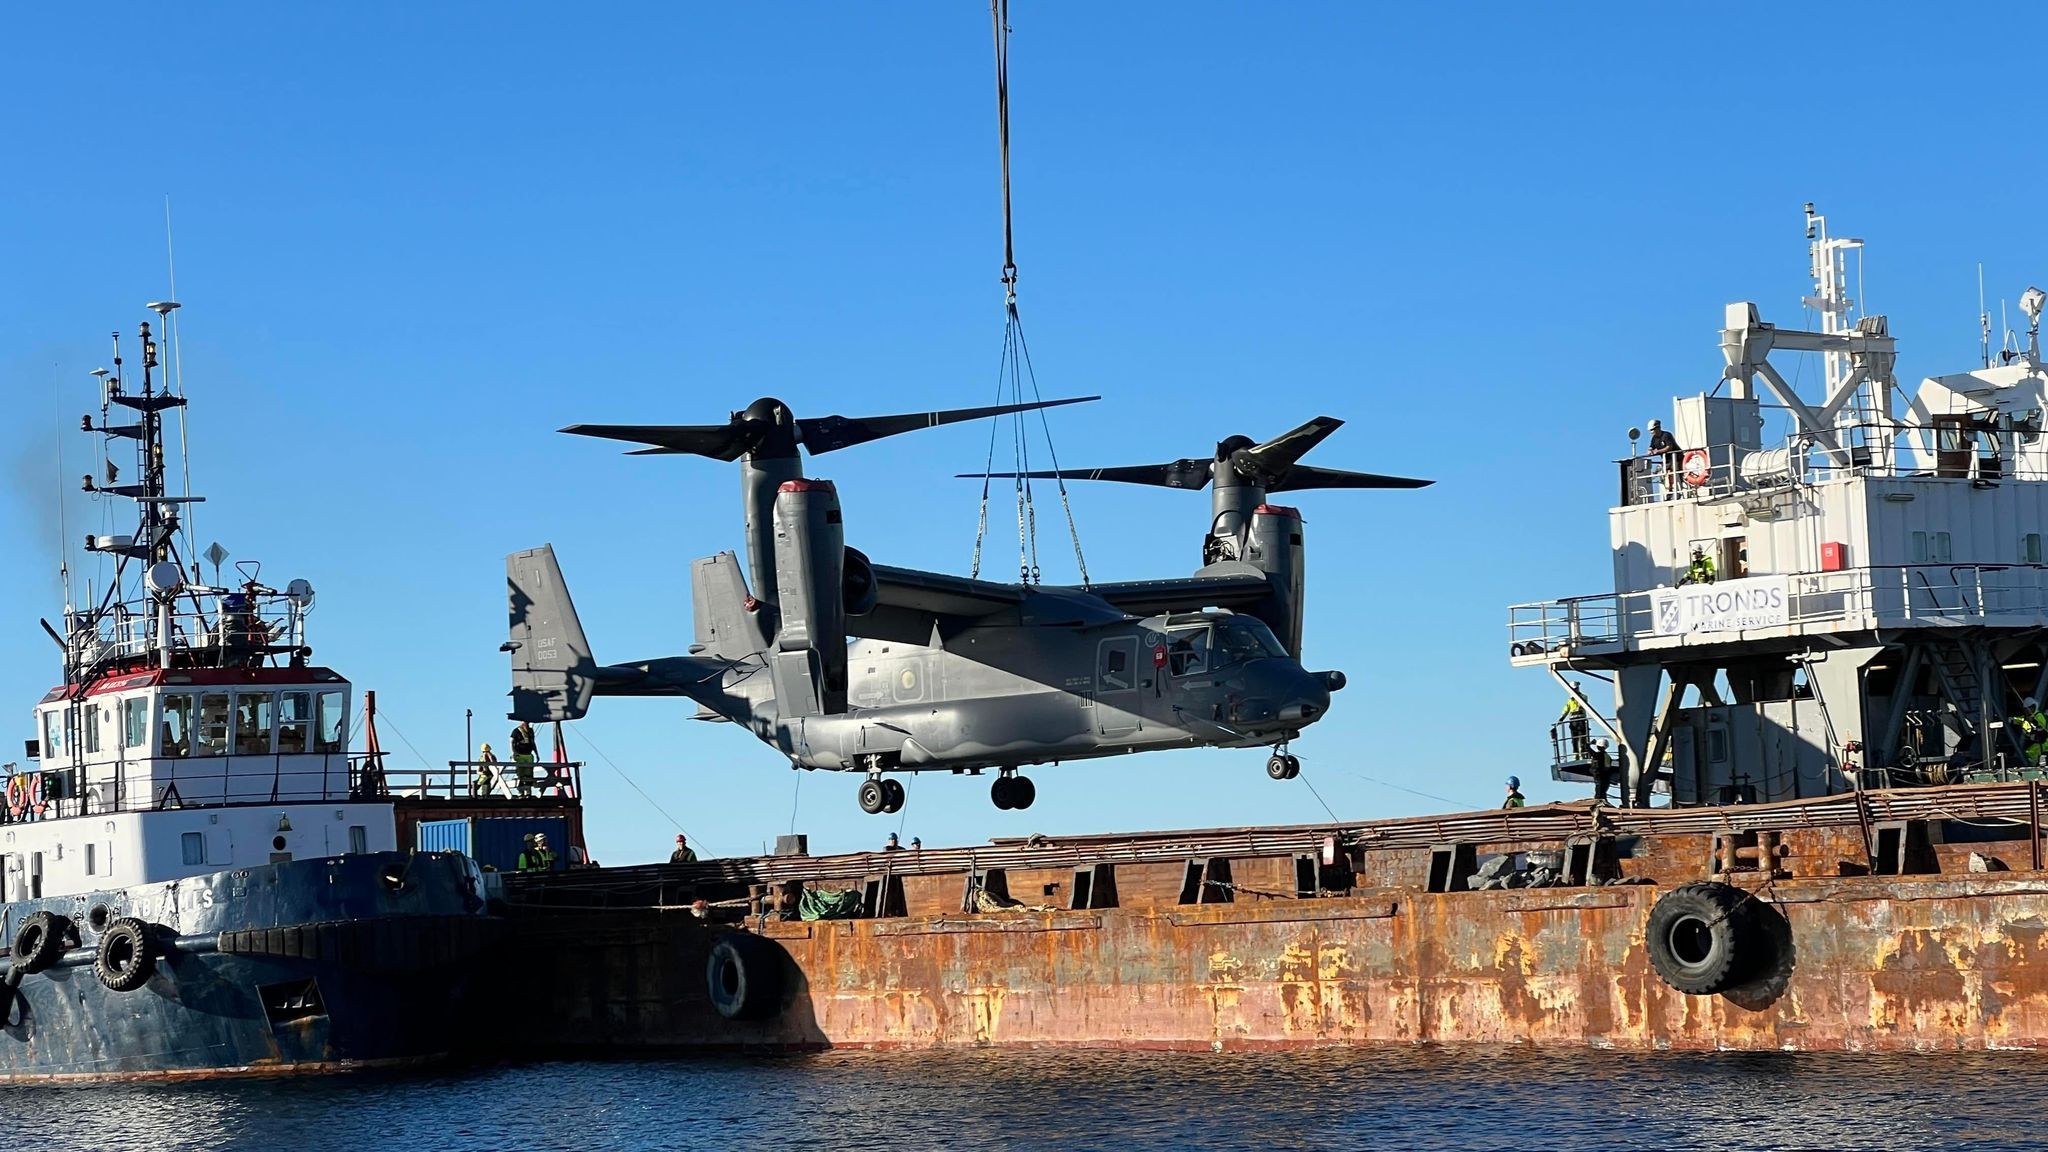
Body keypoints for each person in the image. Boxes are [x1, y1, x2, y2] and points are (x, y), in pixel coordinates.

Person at [1648, 418, 1682, 497]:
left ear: (1658, 428)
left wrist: (1658, 451)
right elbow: (1650, 447)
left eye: (1653, 430)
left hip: (1677, 458)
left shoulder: (1666, 435)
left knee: (1675, 473)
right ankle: (1669, 491)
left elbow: (1669, 447)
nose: (1651, 432)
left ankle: (1678, 491)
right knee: (1664, 473)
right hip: (1666, 460)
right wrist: (1650, 451)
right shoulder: (1654, 439)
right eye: (1650, 431)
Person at [1559, 687, 1589, 760]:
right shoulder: (1570, 700)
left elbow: (1584, 703)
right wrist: (1561, 719)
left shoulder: (1583, 697)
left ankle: (1583, 754)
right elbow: (1566, 710)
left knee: (1582, 738)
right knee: (1574, 739)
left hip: (1581, 720)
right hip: (1573, 721)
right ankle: (1576, 755)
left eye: (1575, 689)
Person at [510, 721, 538, 796]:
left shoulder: (530, 731)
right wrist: (514, 752)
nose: (527, 724)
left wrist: (536, 753)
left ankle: (528, 792)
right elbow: (512, 742)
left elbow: (533, 742)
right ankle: (521, 792)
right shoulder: (516, 731)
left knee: (529, 774)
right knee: (521, 774)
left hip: (529, 754)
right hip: (520, 754)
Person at [2020, 698, 2048, 766]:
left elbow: (2041, 726)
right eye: (2026, 709)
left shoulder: (2039, 716)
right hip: (2034, 741)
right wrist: (2011, 720)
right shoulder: (2026, 718)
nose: (2028, 710)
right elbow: (2019, 720)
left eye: (2030, 708)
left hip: (2044, 743)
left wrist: (2034, 722)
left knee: (2031, 753)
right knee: (2029, 753)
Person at [1588, 738, 1615, 805]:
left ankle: (1598, 805)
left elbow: (1588, 749)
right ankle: (1604, 804)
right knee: (1603, 793)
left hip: (1599, 776)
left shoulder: (1598, 755)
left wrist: (1590, 743)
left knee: (1599, 794)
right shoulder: (1607, 756)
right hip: (1606, 777)